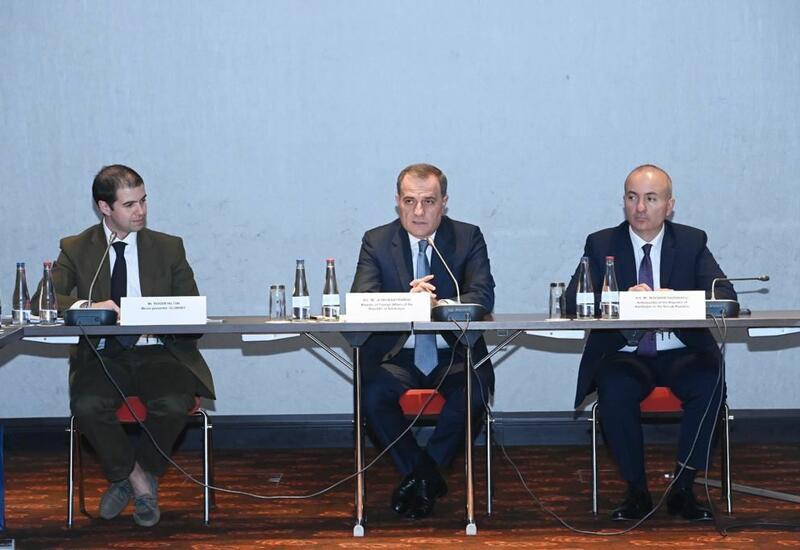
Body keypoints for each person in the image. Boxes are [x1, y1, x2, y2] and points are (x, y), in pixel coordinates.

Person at [33, 165, 215, 527]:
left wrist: (165, 315)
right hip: (103, 354)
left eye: (144, 201)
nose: (141, 211)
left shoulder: (168, 247)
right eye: (130, 204)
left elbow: (192, 307)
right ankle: (138, 481)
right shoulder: (76, 247)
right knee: (87, 405)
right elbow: (43, 299)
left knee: (174, 403)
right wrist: (89, 306)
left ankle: (131, 478)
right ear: (105, 207)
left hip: (158, 351)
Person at [566, 164, 736, 522]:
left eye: (651, 198)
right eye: (632, 198)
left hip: (681, 350)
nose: (640, 207)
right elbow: (572, 302)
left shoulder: (690, 242)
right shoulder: (602, 243)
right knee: (614, 387)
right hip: (626, 352)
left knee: (709, 380)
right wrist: (619, 299)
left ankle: (684, 488)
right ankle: (636, 490)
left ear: (669, 206)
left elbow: (724, 295)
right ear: (624, 202)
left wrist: (679, 300)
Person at [351, 163, 495, 519]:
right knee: (372, 396)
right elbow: (362, 299)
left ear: (444, 202)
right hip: (397, 355)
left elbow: (482, 296)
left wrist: (438, 304)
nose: (418, 212)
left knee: (474, 392)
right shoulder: (377, 241)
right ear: (397, 201)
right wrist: (407, 301)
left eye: (428, 201)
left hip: (452, 353)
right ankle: (427, 477)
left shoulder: (467, 237)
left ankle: (420, 478)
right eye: (409, 201)